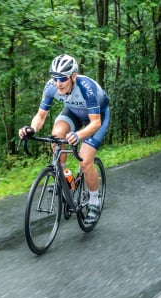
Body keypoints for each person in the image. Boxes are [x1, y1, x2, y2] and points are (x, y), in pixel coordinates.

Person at [19, 54, 110, 224]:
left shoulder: (86, 87)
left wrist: (78, 135)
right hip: (73, 113)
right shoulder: (51, 87)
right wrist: (31, 129)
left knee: (84, 160)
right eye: (54, 77)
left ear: (73, 76)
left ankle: (94, 202)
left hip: (97, 118)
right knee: (56, 136)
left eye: (62, 78)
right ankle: (63, 176)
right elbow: (40, 116)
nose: (58, 82)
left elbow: (95, 122)